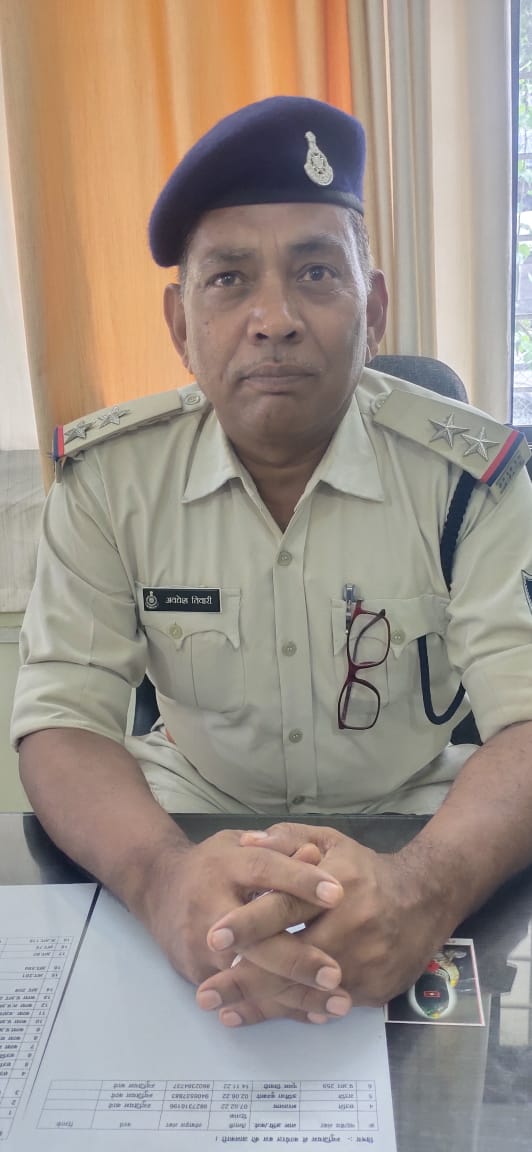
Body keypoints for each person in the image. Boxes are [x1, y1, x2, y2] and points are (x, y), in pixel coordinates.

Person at [11, 96, 532, 1030]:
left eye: (317, 272)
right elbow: (63, 721)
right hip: (191, 818)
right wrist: (160, 880)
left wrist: (423, 890)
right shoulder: (110, 480)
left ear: (374, 308)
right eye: (229, 279)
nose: (275, 320)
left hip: (419, 818)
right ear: (180, 323)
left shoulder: (475, 479)